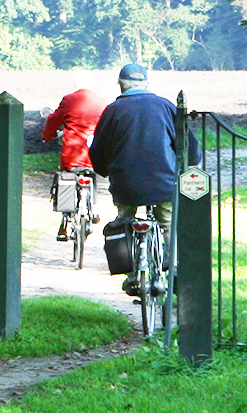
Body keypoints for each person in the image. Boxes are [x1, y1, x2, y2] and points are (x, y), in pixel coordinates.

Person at [89, 63, 200, 293]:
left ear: (120, 84)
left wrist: (105, 171)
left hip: (126, 184)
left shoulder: (112, 111)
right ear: (147, 84)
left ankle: (131, 275)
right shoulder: (166, 107)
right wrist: (188, 166)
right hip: (164, 183)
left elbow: (98, 151)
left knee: (125, 220)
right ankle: (175, 270)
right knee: (168, 222)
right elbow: (189, 146)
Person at [44, 72, 110, 240]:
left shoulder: (69, 100)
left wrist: (47, 135)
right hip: (94, 155)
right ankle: (93, 208)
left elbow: (54, 120)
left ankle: (65, 221)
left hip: (71, 155)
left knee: (66, 179)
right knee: (91, 175)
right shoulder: (102, 102)